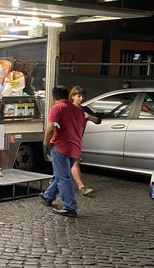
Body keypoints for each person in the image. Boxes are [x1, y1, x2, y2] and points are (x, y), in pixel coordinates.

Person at [40, 85, 87, 217]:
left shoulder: (57, 108)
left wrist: (46, 142)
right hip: (75, 147)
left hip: (61, 146)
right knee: (61, 174)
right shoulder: (78, 110)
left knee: (63, 177)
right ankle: (48, 196)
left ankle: (70, 206)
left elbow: (50, 128)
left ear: (54, 97)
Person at [68, 86, 101, 196]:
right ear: (72, 96)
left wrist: (89, 117)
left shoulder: (84, 110)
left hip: (77, 140)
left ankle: (56, 182)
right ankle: (81, 186)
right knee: (74, 162)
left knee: (68, 163)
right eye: (79, 96)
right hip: (66, 140)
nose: (81, 98)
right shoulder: (67, 108)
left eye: (83, 96)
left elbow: (98, 120)